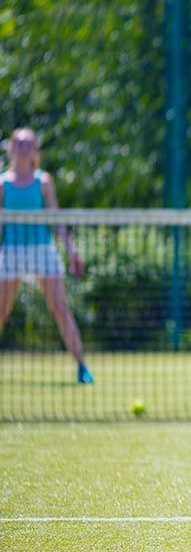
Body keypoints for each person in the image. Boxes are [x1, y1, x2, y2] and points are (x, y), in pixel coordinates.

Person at [0, 128, 93, 384]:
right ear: (10, 148)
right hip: (12, 252)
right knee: (1, 311)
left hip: (42, 250)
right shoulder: (2, 183)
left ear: (35, 151)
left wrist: (71, 250)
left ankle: (82, 367)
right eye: (18, 143)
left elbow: (55, 218)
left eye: (28, 144)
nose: (22, 148)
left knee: (60, 309)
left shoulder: (43, 181)